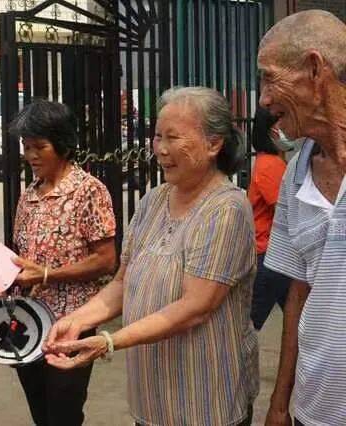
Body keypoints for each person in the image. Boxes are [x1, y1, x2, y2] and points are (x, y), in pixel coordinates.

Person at [44, 87, 258, 426]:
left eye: (173, 138)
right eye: (157, 136)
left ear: (214, 144)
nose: (160, 149)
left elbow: (194, 308)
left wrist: (109, 342)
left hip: (204, 401)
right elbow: (122, 283)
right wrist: (79, 320)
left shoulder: (226, 209)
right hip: (154, 399)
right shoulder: (154, 200)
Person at [256, 10, 346, 426]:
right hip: (317, 408)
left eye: (269, 77)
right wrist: (280, 402)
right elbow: (298, 294)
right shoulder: (295, 174)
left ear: (314, 68)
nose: (264, 99)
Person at [8, 99, 117, 426]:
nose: (31, 155)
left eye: (40, 147)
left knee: (64, 412)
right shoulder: (30, 193)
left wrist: (46, 274)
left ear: (64, 144)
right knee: (40, 410)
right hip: (28, 322)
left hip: (71, 321)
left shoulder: (89, 191)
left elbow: (106, 261)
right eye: (26, 147)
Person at [248, 106, 291, 330]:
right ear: (271, 130)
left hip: (276, 253)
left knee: (299, 319)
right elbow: (287, 210)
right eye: (280, 124)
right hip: (268, 254)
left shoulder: (270, 162)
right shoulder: (269, 166)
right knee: (248, 324)